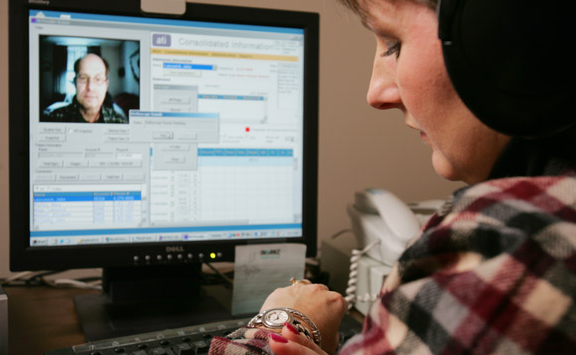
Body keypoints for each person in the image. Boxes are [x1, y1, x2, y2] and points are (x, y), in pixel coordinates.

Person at [209, 0, 576, 354]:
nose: (376, 94)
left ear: (512, 31)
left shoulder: (516, 241)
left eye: (394, 44)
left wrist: (286, 319)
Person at [42, 53, 127, 123]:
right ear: (75, 83)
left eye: (98, 79)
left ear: (106, 85)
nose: (90, 87)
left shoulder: (120, 122)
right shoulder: (52, 119)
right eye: (83, 78)